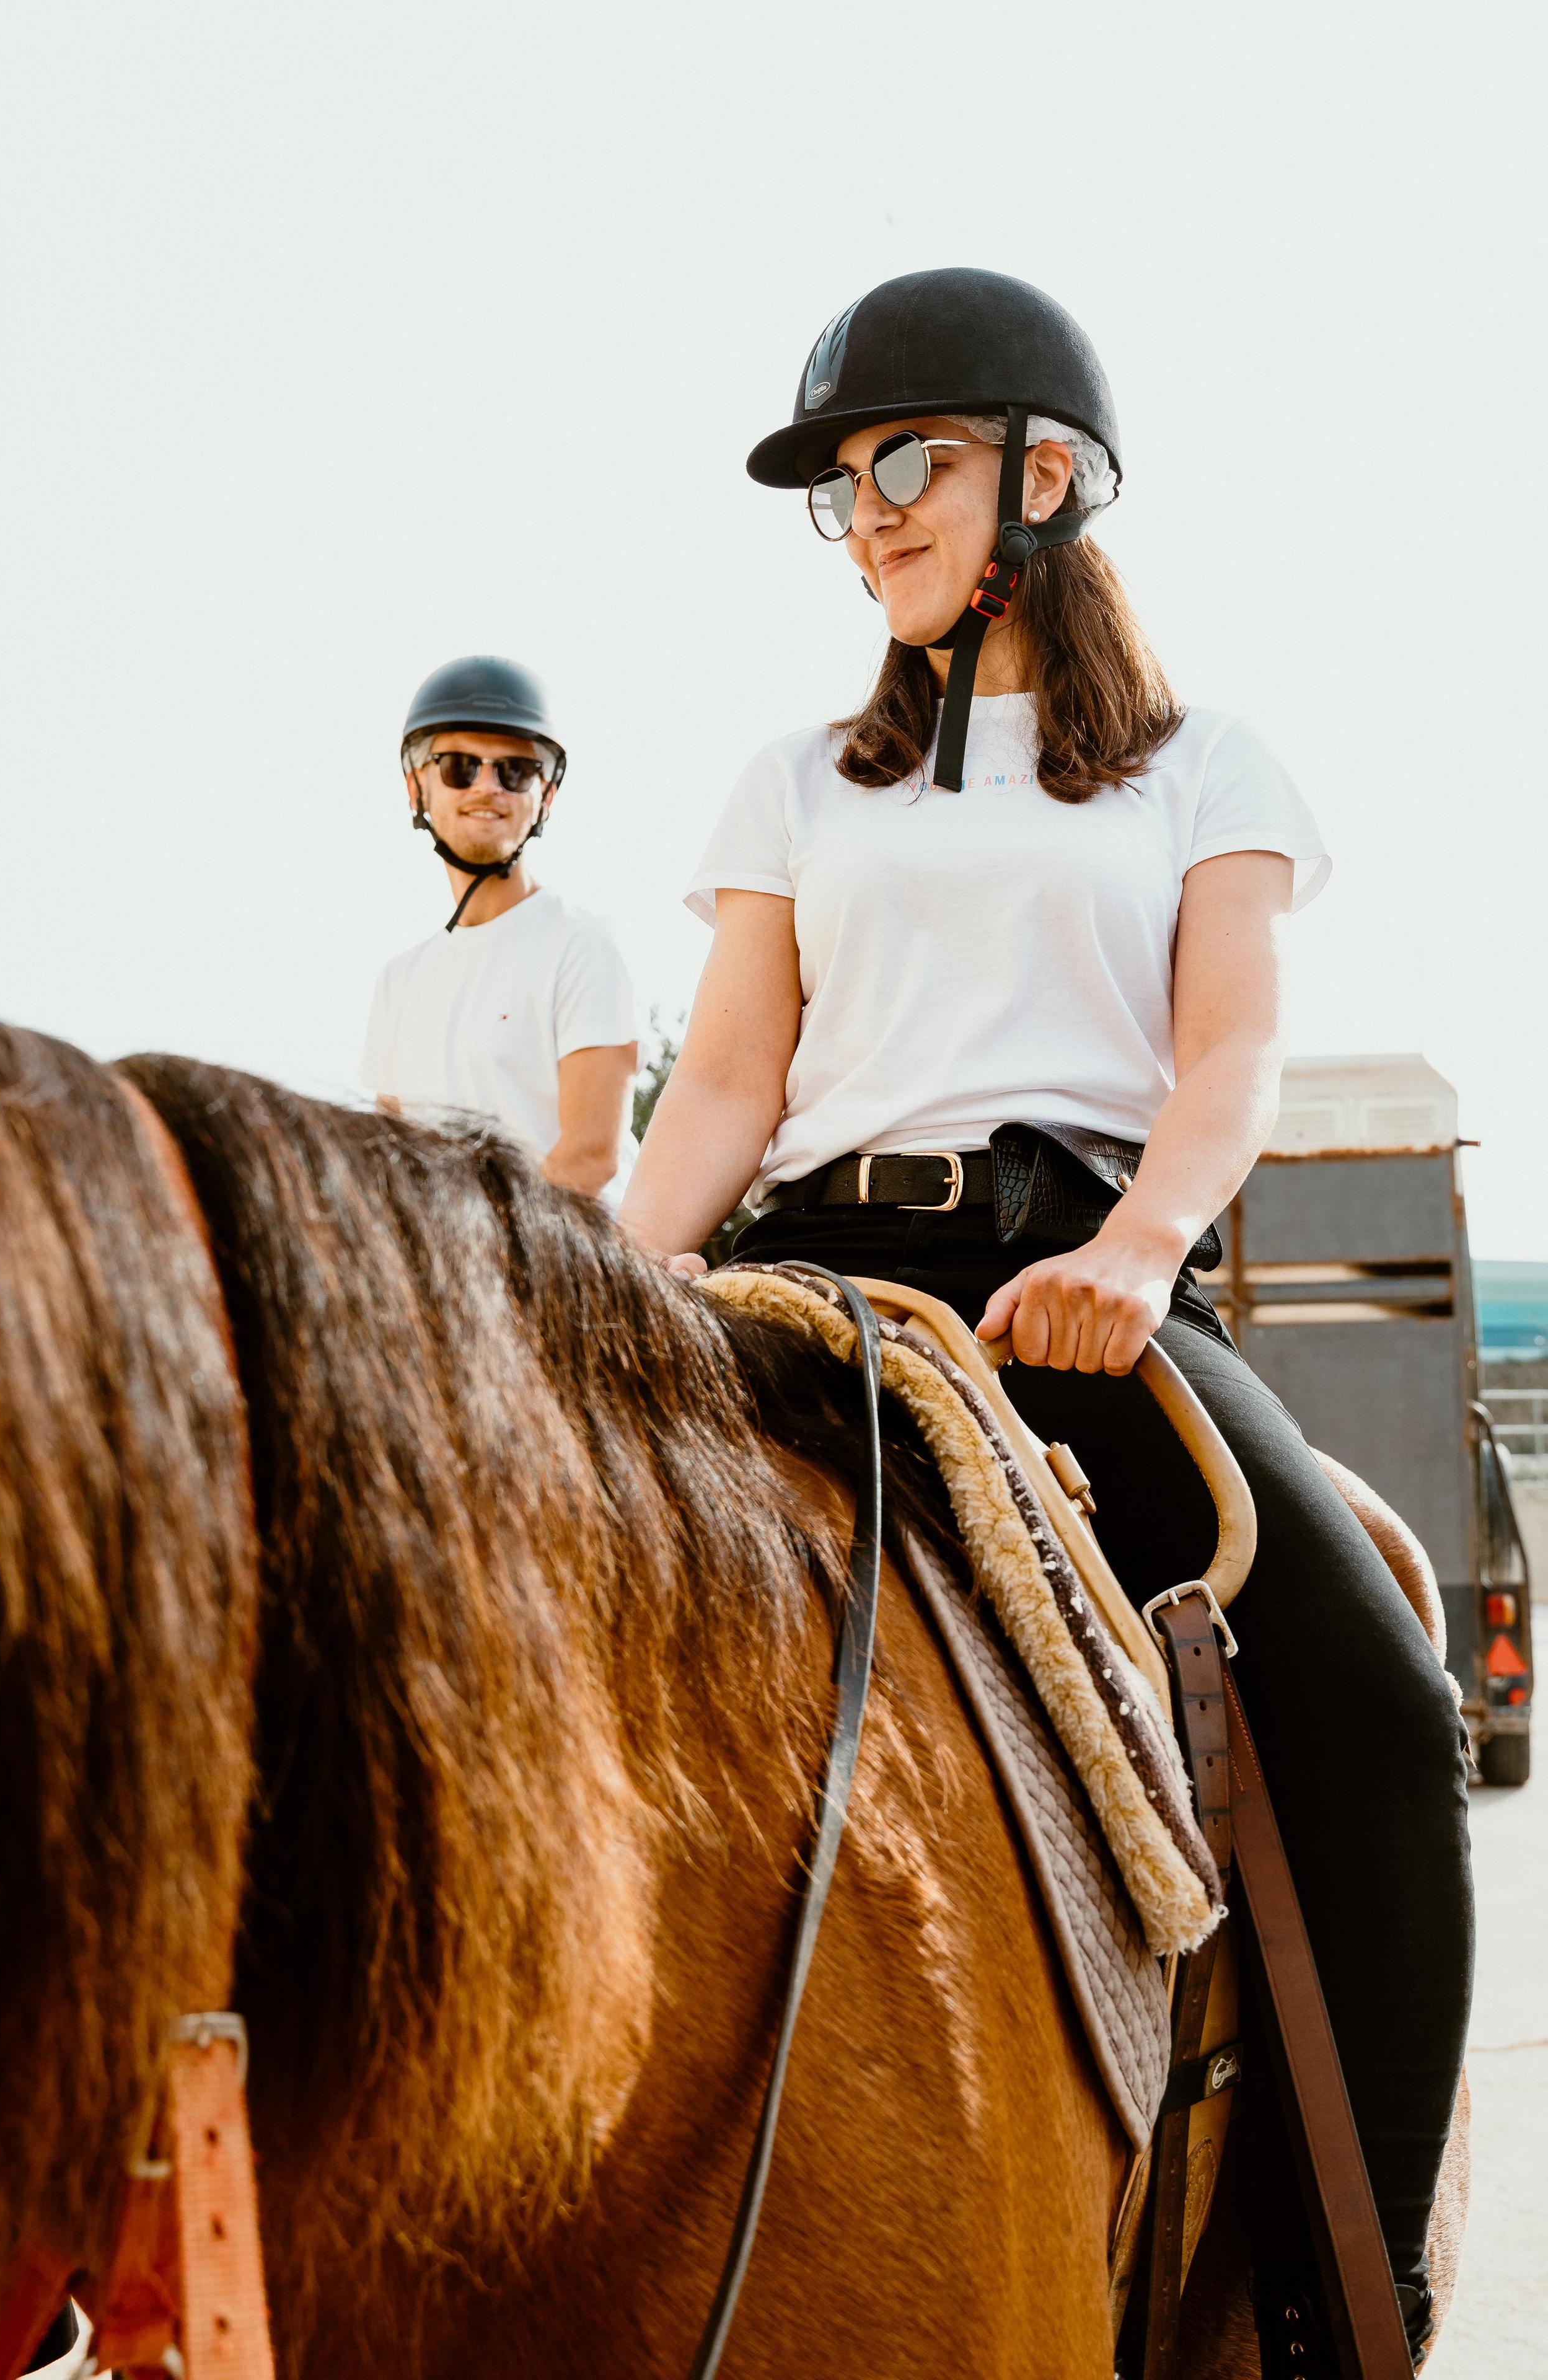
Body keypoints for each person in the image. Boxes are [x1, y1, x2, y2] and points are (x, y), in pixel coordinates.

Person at [620, 267, 1470, 2366]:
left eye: (904, 459)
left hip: (1066, 1293)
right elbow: (727, 1081)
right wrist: (608, 1279)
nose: (869, 512)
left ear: (1053, 475)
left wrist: (1139, 1255)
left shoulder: (1206, 764)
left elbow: (1232, 1059)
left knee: (1371, 1686)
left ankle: (1334, 2308)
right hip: (800, 1273)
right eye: (842, 483)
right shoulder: (795, 778)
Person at [363, 654, 638, 1204]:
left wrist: (466, 1259)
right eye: (459, 766)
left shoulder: (584, 944)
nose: (488, 786)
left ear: (546, 795)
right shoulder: (400, 980)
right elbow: (393, 1164)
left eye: (515, 771)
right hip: (446, 1276)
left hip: (571, 1270)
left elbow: (589, 1157)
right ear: (418, 787)